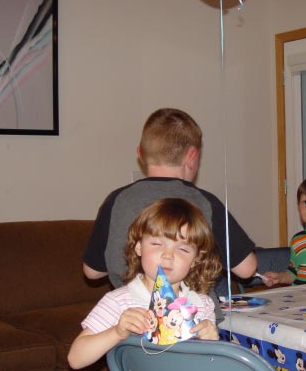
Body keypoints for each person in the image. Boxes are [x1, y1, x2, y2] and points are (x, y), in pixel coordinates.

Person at [69, 198, 259, 371]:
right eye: (157, 244)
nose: (168, 256)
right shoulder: (120, 302)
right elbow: (76, 359)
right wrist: (116, 331)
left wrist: (212, 341)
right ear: (138, 247)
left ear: (196, 259)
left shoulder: (202, 304)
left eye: (182, 248)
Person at [82, 108, 257, 319]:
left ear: (140, 154)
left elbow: (92, 272)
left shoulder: (117, 200)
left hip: (131, 324)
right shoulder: (206, 202)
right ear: (192, 157)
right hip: (195, 325)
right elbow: (247, 269)